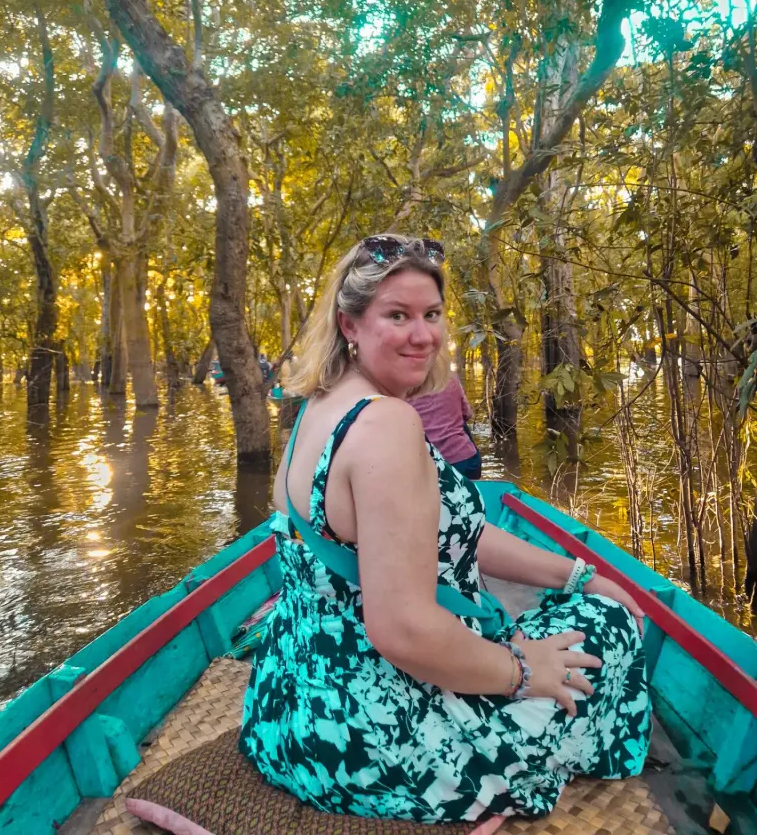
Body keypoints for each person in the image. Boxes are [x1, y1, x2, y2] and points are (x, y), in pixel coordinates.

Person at [240, 233, 650, 827]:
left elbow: (462, 534)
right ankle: (531, 767)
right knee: (609, 626)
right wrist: (522, 670)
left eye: (430, 315)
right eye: (397, 315)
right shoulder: (387, 424)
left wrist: (580, 574)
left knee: (577, 603)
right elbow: (400, 629)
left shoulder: (318, 407)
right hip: (380, 742)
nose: (422, 335)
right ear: (350, 324)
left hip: (291, 714)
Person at [409, 372, 482, 479]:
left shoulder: (400, 386)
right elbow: (467, 413)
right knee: (462, 423)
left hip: (427, 465)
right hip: (465, 460)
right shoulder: (450, 377)